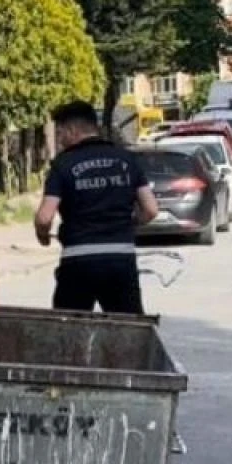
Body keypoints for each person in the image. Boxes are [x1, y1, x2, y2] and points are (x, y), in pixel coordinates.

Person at [34, 99, 159, 315]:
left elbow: (45, 217)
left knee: (70, 331)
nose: (60, 139)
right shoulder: (126, 159)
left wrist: (42, 235)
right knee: (127, 330)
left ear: (73, 130)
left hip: (78, 260)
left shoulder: (63, 164)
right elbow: (151, 209)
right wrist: (128, 224)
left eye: (61, 132)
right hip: (120, 259)